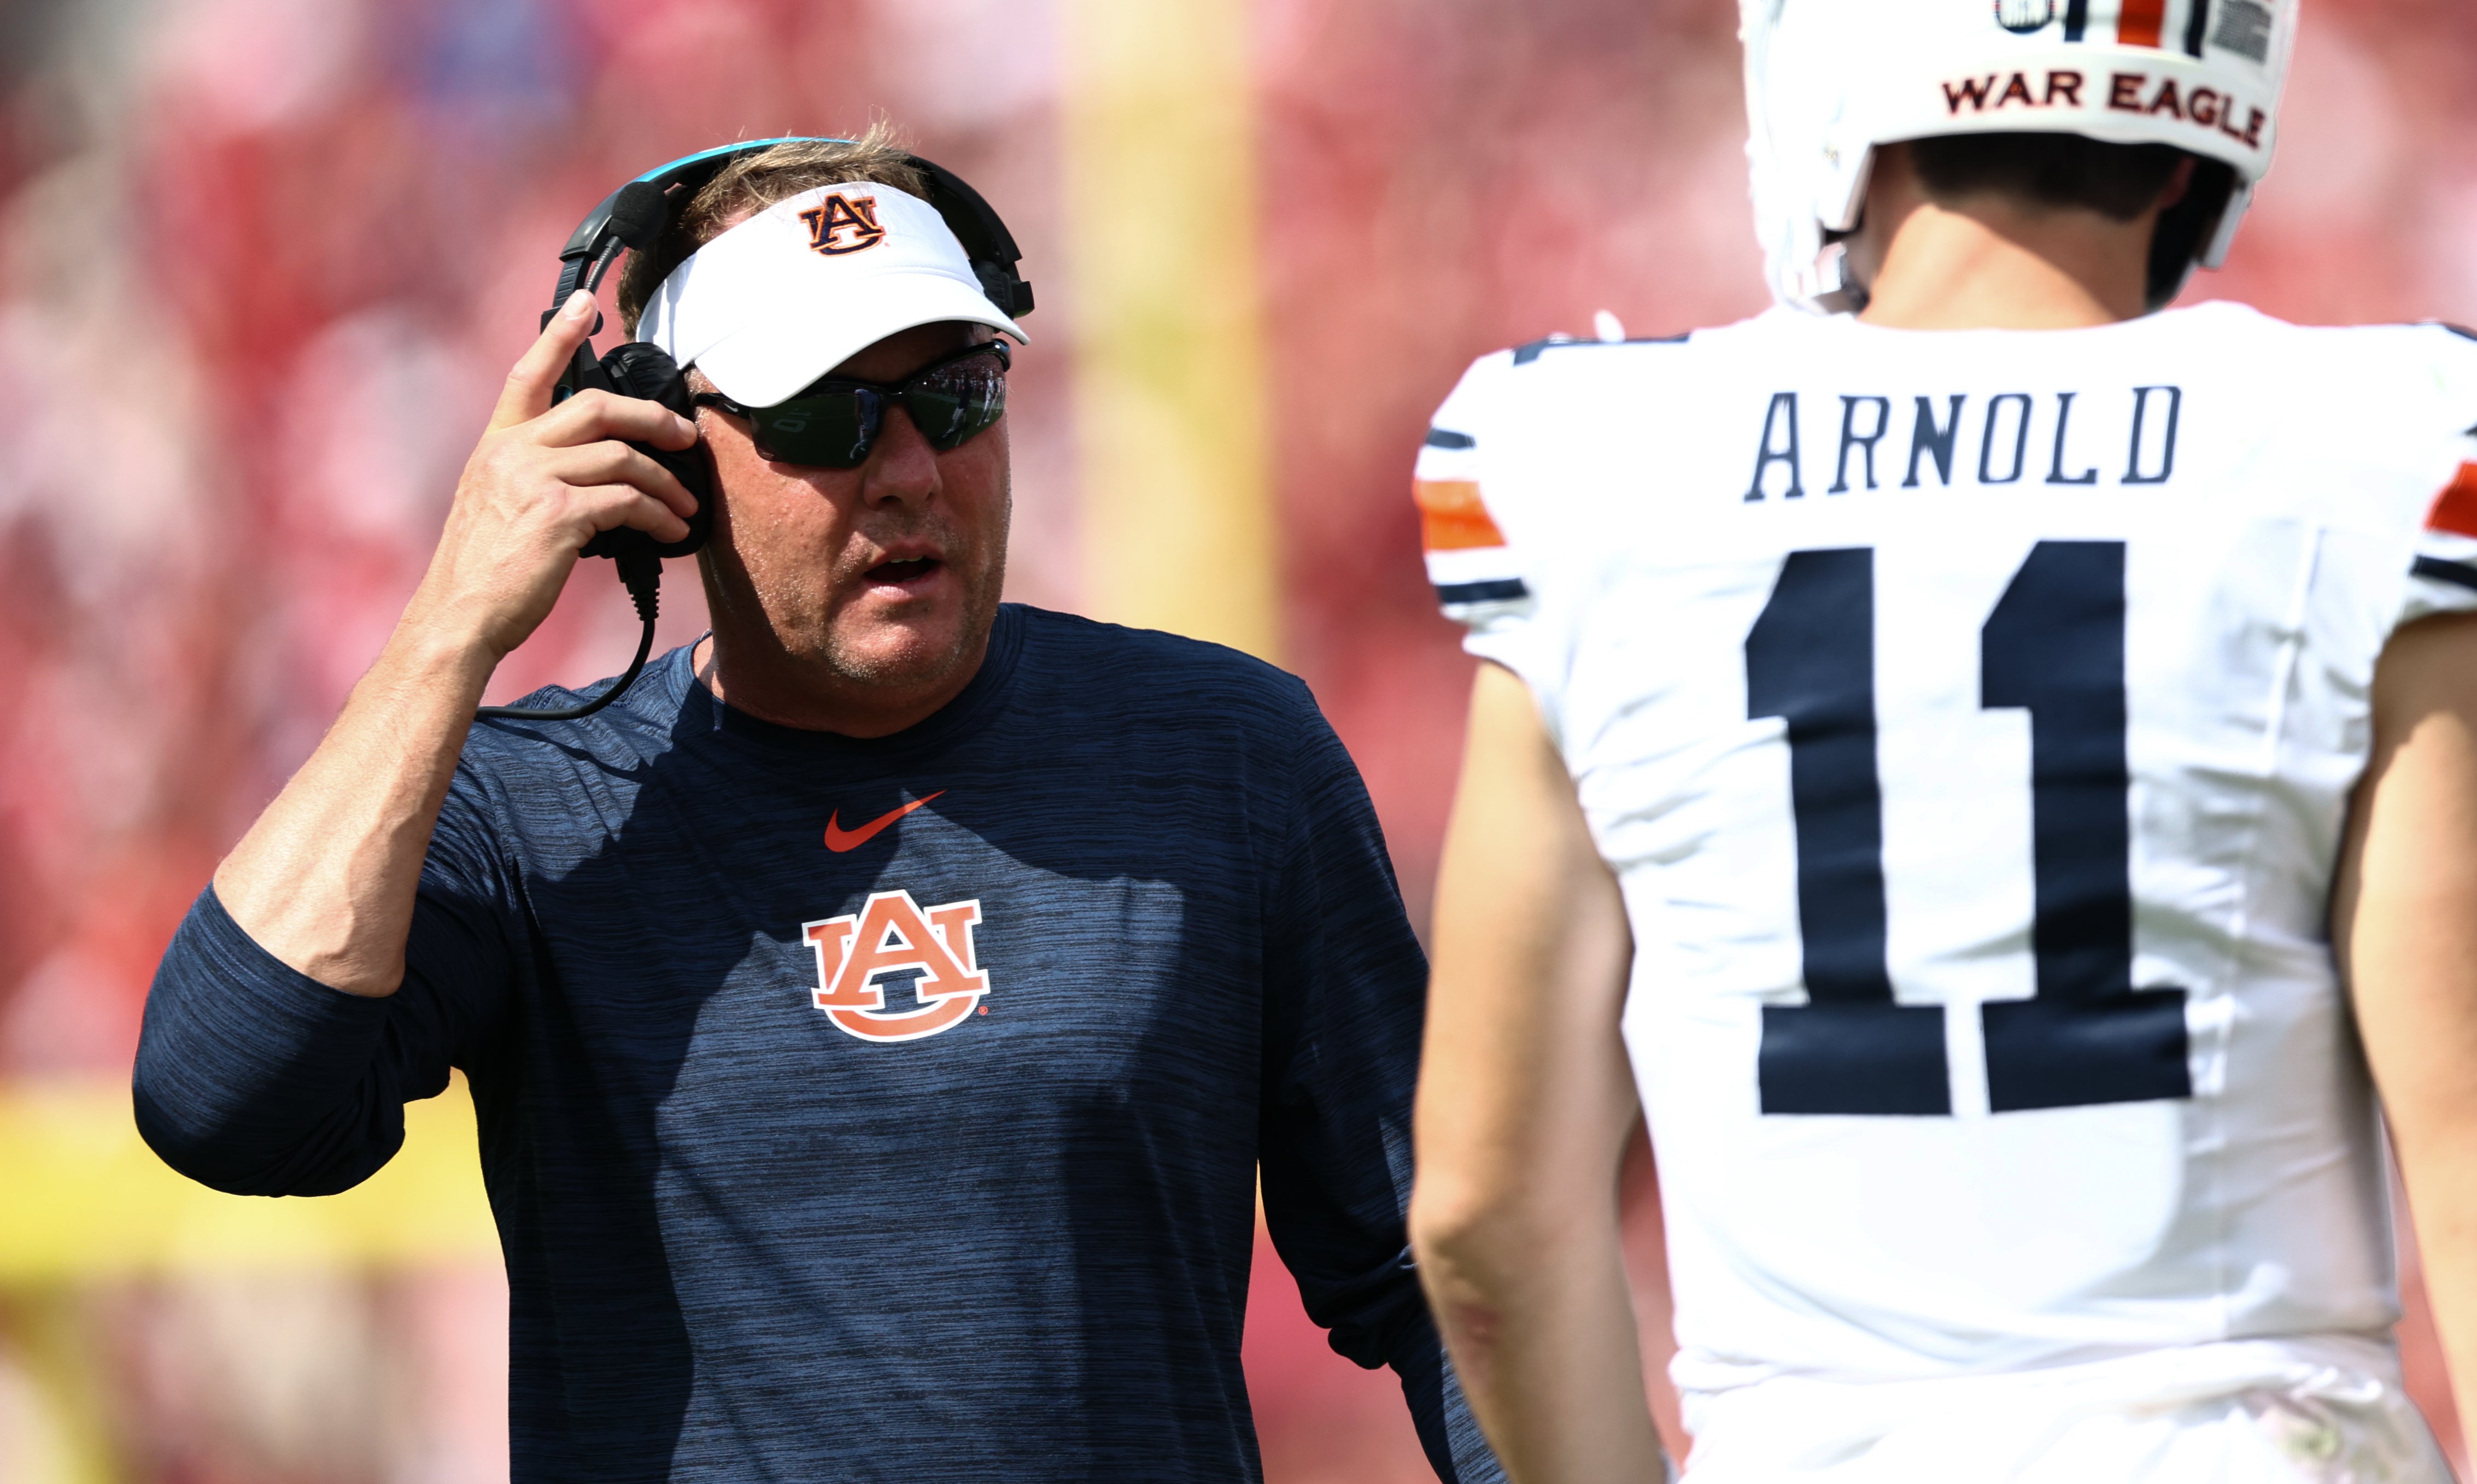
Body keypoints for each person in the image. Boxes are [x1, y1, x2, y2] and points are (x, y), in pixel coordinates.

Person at [1402, 0, 2477, 1482]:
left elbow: (1479, 1210)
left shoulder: (1594, 473)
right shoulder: (2343, 452)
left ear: (1847, 23)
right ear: (2212, 88)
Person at [134, 133, 1500, 1483]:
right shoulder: (535, 809)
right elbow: (224, 1104)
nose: (907, 467)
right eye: (821, 412)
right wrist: (448, 630)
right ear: (661, 463)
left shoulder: (1224, 753)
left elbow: (1431, 1274)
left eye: (954, 393)